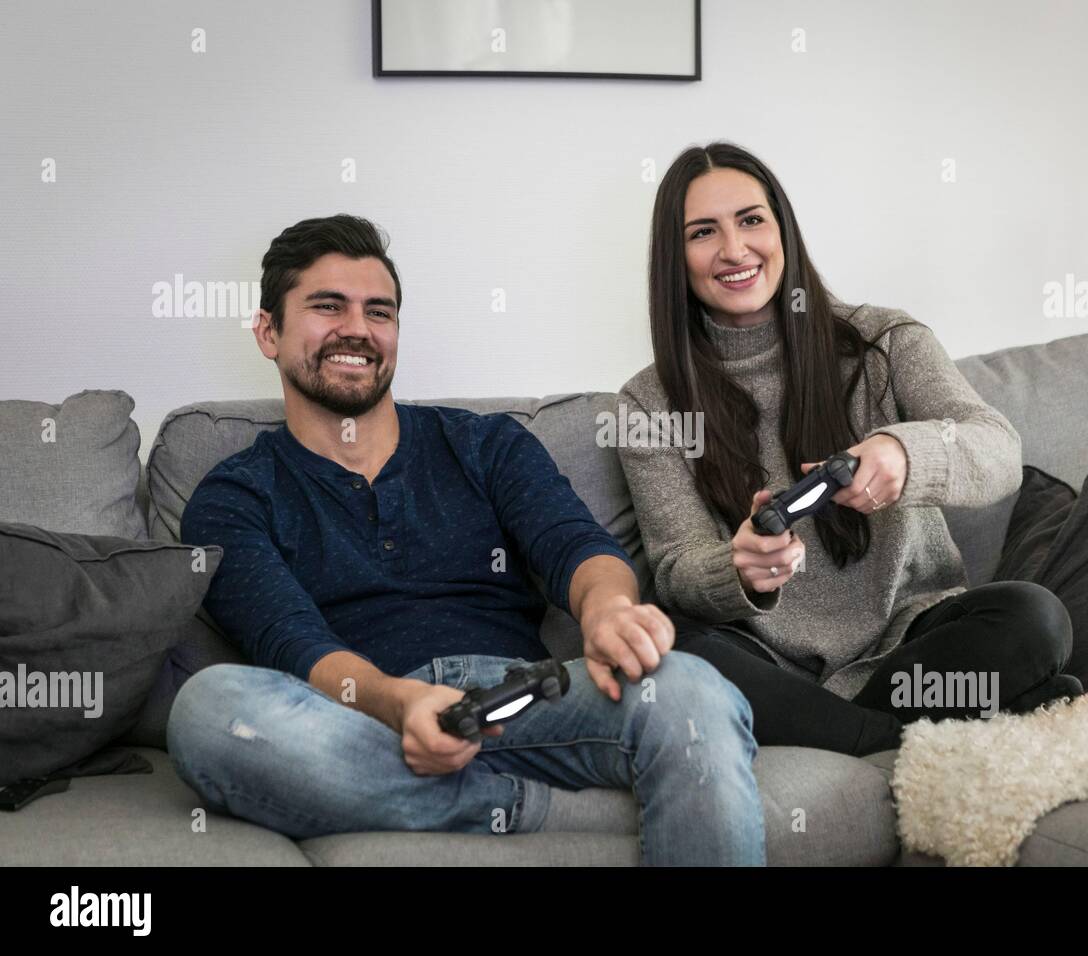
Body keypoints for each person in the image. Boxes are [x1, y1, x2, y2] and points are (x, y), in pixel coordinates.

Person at [168, 214, 765, 865]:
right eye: (326, 307)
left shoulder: (485, 443)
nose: (359, 330)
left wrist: (608, 611)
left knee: (692, 687)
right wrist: (400, 703)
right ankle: (517, 808)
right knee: (206, 711)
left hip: (524, 695)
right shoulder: (234, 495)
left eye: (380, 312)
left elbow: (577, 547)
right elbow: (292, 640)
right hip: (359, 718)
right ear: (267, 331)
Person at [617, 142, 1083, 757]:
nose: (734, 250)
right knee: (673, 649)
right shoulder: (646, 405)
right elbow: (674, 570)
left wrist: (904, 452)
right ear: (675, 259)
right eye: (703, 232)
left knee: (1035, 618)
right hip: (764, 664)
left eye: (752, 220)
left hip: (908, 644)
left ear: (783, 227)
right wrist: (738, 570)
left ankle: (842, 736)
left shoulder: (886, 343)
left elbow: (997, 449)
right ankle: (892, 739)